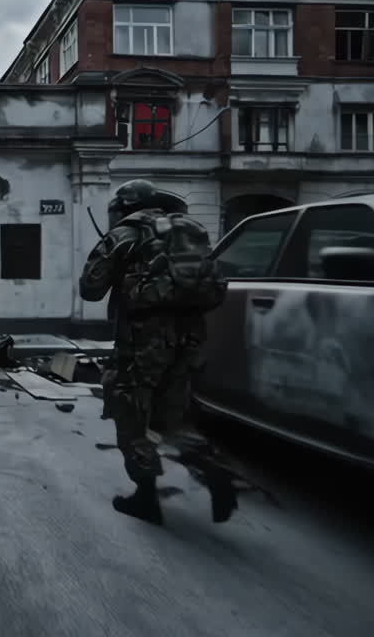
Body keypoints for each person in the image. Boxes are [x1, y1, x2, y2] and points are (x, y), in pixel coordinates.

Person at [79, 179, 237, 526]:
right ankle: (214, 466)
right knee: (173, 415)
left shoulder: (126, 234)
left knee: (130, 411)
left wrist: (113, 261)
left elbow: (90, 289)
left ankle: (146, 497)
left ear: (123, 208)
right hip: (190, 336)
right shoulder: (186, 230)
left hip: (143, 340)